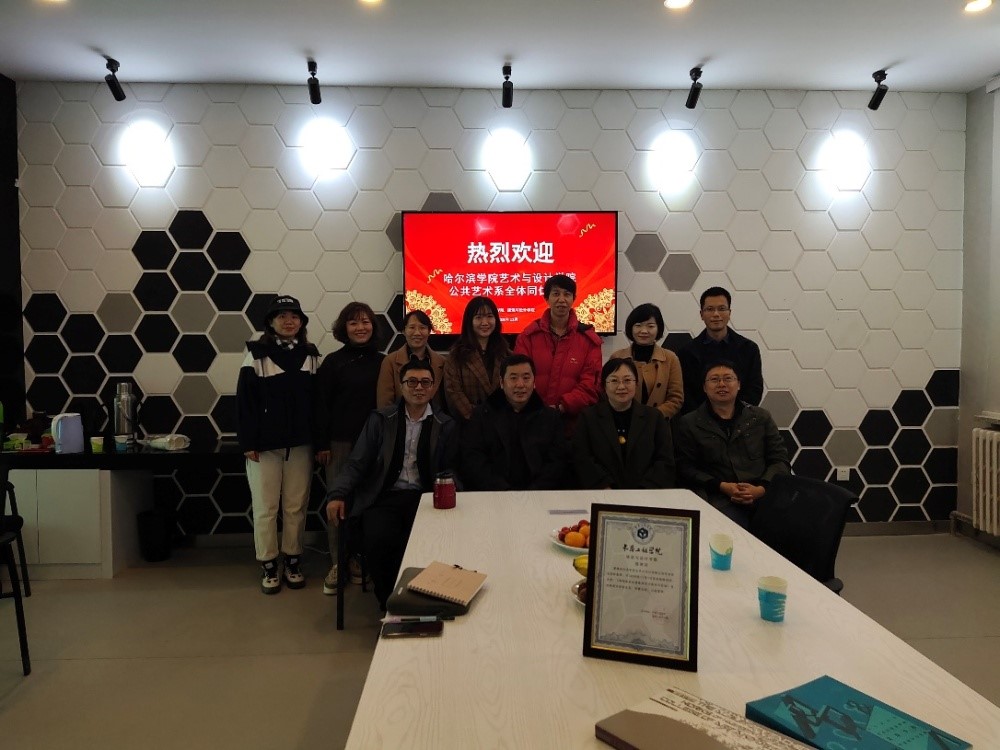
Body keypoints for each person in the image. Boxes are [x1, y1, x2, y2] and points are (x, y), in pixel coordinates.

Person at [325, 360, 458, 609]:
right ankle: (392, 604)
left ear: (433, 387)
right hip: (384, 497)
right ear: (401, 385)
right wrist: (337, 494)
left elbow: (451, 469)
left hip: (425, 500)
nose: (419, 388)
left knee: (429, 543)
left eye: (425, 382)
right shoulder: (381, 419)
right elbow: (357, 462)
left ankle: (422, 602)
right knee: (378, 540)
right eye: (412, 382)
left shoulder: (445, 424)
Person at [236, 295, 321, 595]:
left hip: (301, 446)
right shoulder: (256, 354)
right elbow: (244, 402)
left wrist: (320, 442)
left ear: (301, 322)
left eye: (294, 316)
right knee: (266, 508)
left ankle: (293, 561)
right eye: (282, 316)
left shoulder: (311, 355)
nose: (289, 321)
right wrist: (248, 442)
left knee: (296, 506)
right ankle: (269, 564)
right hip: (264, 448)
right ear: (271, 322)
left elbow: (319, 403)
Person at [315, 301, 385, 597]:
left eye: (365, 321)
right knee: (338, 503)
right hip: (340, 444)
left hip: (375, 445)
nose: (360, 327)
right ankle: (338, 562)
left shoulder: (384, 362)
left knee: (367, 503)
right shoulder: (333, 362)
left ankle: (359, 559)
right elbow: (320, 405)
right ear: (344, 328)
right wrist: (322, 444)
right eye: (354, 322)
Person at [674, 360, 790, 529]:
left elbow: (780, 460)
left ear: (739, 384)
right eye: (714, 379)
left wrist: (761, 489)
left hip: (763, 493)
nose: (722, 384)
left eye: (728, 378)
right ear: (704, 387)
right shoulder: (689, 423)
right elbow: (685, 468)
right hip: (719, 497)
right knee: (730, 531)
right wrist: (722, 486)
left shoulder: (760, 417)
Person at [461, 354, 570, 490]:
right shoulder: (482, 415)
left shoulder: (551, 418)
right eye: (513, 378)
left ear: (534, 382)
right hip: (493, 493)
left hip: (539, 494)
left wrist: (534, 491)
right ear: (502, 382)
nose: (520, 384)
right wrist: (502, 489)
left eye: (526, 378)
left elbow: (556, 462)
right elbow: (474, 459)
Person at [513, 274, 602, 432]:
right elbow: (519, 377)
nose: (561, 299)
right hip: (531, 421)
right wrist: (538, 409)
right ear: (546, 299)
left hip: (573, 426)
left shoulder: (589, 340)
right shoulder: (528, 336)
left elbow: (590, 385)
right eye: (555, 294)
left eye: (567, 294)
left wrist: (562, 407)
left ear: (574, 299)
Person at [573, 357, 676, 490]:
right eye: (614, 381)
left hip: (646, 495)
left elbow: (665, 461)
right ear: (604, 385)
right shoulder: (588, 418)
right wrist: (604, 487)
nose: (621, 386)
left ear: (636, 383)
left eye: (627, 380)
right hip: (602, 493)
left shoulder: (654, 418)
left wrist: (644, 490)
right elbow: (582, 459)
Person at [676, 287, 763, 413]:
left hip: (741, 419)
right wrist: (705, 417)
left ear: (729, 313)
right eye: (710, 309)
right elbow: (685, 392)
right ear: (701, 314)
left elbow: (754, 389)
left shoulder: (749, 349)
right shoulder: (686, 353)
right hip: (699, 421)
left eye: (722, 309)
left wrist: (733, 414)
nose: (716, 314)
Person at [609, 302, 684, 419]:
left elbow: (676, 398)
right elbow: (608, 392)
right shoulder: (617, 357)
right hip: (623, 420)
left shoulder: (670, 358)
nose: (644, 331)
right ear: (630, 327)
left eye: (650, 326)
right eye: (638, 325)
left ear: (658, 328)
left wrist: (652, 417)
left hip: (657, 423)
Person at [443, 296, 511, 421]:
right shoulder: (456, 356)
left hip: (503, 423)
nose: (485, 322)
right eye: (478, 317)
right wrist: (480, 419)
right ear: (469, 321)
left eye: (490, 316)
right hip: (470, 424)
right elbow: (454, 394)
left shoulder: (507, 354)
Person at [377, 310, 446, 410]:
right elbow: (385, 404)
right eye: (412, 327)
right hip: (399, 418)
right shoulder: (390, 361)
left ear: (429, 331)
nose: (417, 333)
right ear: (404, 331)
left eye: (422, 328)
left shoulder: (442, 362)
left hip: (434, 419)